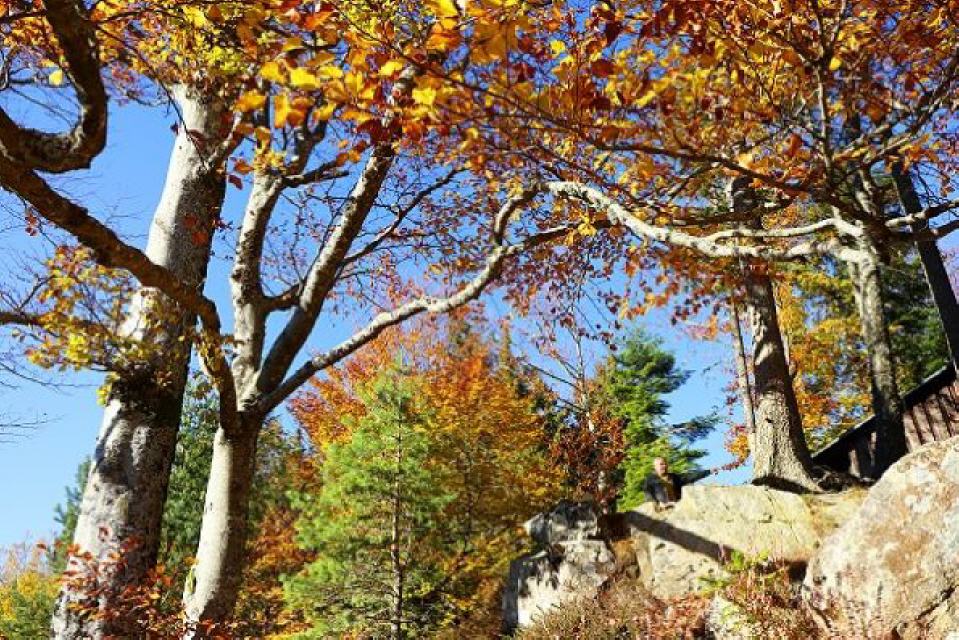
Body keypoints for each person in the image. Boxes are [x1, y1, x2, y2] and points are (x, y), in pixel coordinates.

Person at [643, 457, 716, 507]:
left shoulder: (674, 477)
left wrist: (709, 471)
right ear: (655, 467)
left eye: (665, 464)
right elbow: (648, 496)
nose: (664, 466)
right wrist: (658, 504)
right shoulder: (650, 480)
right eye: (661, 464)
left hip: (676, 508)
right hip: (661, 512)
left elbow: (691, 476)